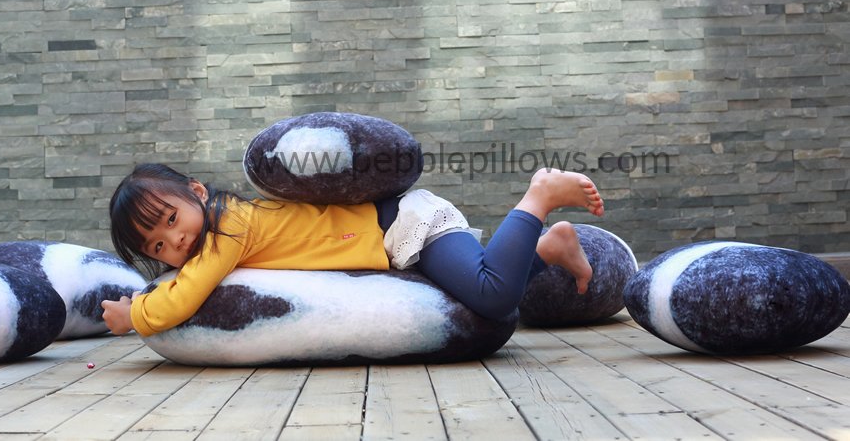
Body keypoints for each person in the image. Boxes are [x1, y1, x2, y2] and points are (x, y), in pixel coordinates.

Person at [101, 163, 604, 336]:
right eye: (158, 246)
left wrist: (134, 315)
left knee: (493, 297)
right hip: (394, 243)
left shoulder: (225, 229)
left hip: (405, 226)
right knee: (483, 291)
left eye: (172, 220)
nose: (177, 241)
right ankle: (548, 248)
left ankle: (537, 196)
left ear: (197, 193)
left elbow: (184, 296)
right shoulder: (223, 229)